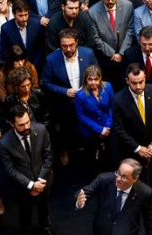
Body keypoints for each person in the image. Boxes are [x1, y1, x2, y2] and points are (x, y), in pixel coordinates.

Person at [0, 105, 58, 235]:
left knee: (44, 208)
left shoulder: (41, 130)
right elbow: (10, 170)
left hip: (43, 181)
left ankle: (47, 229)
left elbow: (48, 157)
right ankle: (25, 234)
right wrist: (31, 185)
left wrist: (39, 183)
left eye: (27, 122)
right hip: (23, 185)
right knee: (25, 212)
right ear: (12, 124)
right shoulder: (5, 143)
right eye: (21, 124)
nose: (26, 126)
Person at [112, 63, 152, 209]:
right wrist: (138, 148)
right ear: (127, 81)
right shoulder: (118, 99)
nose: (138, 86)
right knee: (135, 177)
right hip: (132, 148)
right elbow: (119, 129)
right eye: (134, 83)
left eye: (141, 82)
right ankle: (138, 202)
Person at [41, 28, 98, 165]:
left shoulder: (88, 54)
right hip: (64, 104)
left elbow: (97, 74)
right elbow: (45, 83)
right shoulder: (51, 59)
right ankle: (65, 151)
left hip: (85, 100)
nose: (68, 49)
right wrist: (64, 91)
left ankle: (92, 151)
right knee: (65, 132)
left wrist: (88, 89)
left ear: (76, 42)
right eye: (64, 46)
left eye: (71, 45)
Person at [75, 158, 152, 235]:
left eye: (124, 177)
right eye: (118, 173)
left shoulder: (144, 192)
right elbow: (83, 192)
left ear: (135, 178)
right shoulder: (104, 179)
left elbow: (148, 216)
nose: (118, 179)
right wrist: (79, 202)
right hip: (103, 232)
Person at [74, 65, 114, 175]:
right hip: (90, 131)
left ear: (100, 78)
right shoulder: (80, 95)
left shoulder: (108, 87)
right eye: (90, 79)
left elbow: (112, 106)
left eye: (95, 79)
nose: (93, 82)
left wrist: (108, 126)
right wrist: (100, 129)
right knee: (91, 159)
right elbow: (81, 116)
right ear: (85, 79)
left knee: (108, 156)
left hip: (107, 127)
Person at [88, 0, 134, 91]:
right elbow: (95, 38)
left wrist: (121, 53)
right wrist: (112, 53)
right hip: (105, 60)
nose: (110, 1)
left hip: (125, 57)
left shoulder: (128, 6)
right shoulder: (93, 12)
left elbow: (131, 30)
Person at [0, 0, 45, 72]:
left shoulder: (36, 25)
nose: (24, 18)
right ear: (14, 14)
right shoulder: (6, 29)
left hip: (35, 67)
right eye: (20, 15)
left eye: (26, 15)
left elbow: (40, 48)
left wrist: (34, 67)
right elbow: (5, 52)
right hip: (15, 69)